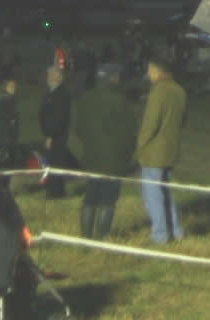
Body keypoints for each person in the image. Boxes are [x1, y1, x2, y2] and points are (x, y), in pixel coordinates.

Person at [70, 63, 138, 239]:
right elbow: (129, 132)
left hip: (91, 156)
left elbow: (78, 128)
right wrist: (128, 153)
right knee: (108, 199)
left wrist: (90, 144)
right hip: (114, 159)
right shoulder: (120, 100)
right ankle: (101, 237)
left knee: (90, 197)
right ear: (113, 78)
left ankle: (86, 236)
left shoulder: (86, 98)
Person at [136, 53, 187, 244]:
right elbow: (183, 119)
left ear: (157, 71)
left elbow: (150, 123)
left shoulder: (158, 92)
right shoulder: (180, 90)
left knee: (153, 196)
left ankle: (160, 236)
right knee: (165, 193)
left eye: (149, 70)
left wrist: (140, 146)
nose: (148, 74)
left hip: (154, 152)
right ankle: (176, 231)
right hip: (171, 149)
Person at [38, 65, 75, 198]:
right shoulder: (49, 92)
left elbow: (59, 118)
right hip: (49, 134)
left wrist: (50, 136)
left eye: (51, 75)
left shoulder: (61, 94)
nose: (48, 78)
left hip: (57, 136)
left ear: (58, 77)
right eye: (48, 75)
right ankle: (51, 189)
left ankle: (56, 193)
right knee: (50, 163)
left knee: (56, 163)